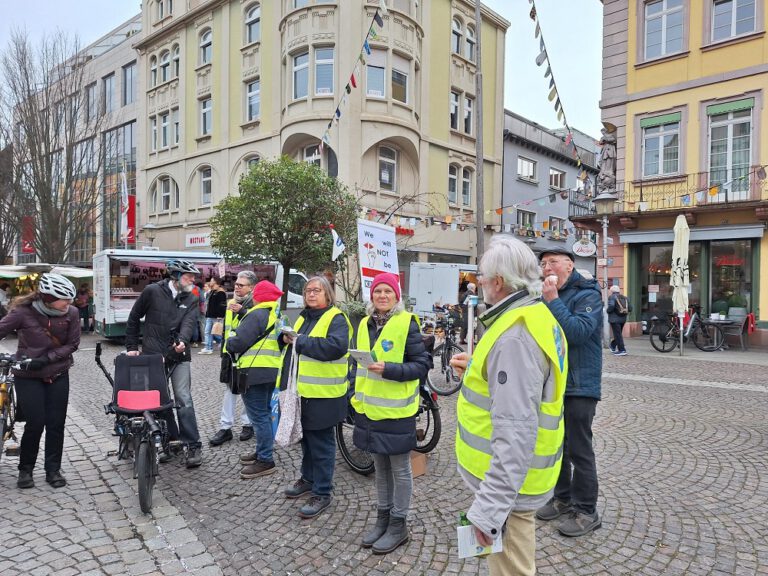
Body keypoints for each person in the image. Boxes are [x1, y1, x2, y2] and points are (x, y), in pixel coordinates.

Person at [449, 236, 567, 575]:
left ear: (498, 283)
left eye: (481, 277)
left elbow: (516, 430)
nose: (479, 283)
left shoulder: (514, 337)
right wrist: (478, 366)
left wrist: (489, 511)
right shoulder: (533, 315)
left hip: (509, 490)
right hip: (517, 482)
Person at [351, 272, 431, 554]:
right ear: (371, 296)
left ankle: (399, 524)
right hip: (368, 409)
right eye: (377, 291)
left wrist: (390, 369)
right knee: (380, 468)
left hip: (396, 411)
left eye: (387, 291)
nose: (382, 296)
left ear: (397, 296)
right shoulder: (363, 323)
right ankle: (382, 518)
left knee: (400, 468)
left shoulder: (406, 323)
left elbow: (422, 365)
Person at [536, 246, 603, 537]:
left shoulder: (588, 294)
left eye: (552, 262)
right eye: (543, 264)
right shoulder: (547, 296)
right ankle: (562, 498)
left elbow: (577, 332)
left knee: (579, 448)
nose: (547, 268)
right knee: (556, 444)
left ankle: (587, 510)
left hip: (580, 384)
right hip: (554, 384)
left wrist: (551, 300)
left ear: (570, 265)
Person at [278, 276, 351, 519]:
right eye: (308, 290)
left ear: (328, 294)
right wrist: (285, 338)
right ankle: (308, 479)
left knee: (321, 445)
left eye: (316, 290)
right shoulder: (303, 316)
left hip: (325, 395)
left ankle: (322, 491)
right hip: (302, 392)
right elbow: (295, 346)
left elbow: (335, 347)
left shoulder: (337, 318)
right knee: (306, 441)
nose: (310, 294)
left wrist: (299, 341)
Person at [0, 273, 80, 489]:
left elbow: (72, 344)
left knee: (56, 424)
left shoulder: (72, 313)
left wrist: (46, 359)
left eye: (70, 299)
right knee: (35, 423)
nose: (68, 303)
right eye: (64, 299)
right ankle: (25, 470)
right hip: (28, 376)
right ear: (47, 297)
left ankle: (53, 470)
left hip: (58, 373)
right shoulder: (23, 312)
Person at [125, 259, 204, 468]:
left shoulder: (192, 297)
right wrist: (132, 346)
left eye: (194, 277)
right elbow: (134, 318)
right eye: (189, 276)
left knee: (183, 398)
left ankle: (193, 444)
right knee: (160, 399)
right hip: (153, 354)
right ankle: (171, 440)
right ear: (175, 276)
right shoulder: (152, 291)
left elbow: (189, 323)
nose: (193, 280)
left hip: (179, 355)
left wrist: (183, 341)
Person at [226, 280, 284, 479]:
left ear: (258, 296)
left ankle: (265, 460)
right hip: (270, 371)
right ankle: (261, 452)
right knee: (265, 414)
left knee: (258, 417)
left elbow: (239, 342)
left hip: (253, 372)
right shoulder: (277, 316)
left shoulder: (256, 314)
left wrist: (229, 339)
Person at [209, 271, 256, 446]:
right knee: (230, 390)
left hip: (249, 355)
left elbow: (258, 323)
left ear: (251, 288)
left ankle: (247, 424)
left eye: (241, 285)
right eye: (236, 284)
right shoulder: (230, 303)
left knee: (247, 389)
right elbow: (227, 330)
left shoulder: (256, 305)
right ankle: (225, 427)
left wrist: (243, 311)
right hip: (231, 354)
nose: (236, 287)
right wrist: (224, 351)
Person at [200, 276, 226, 355]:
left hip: (216, 316)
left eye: (211, 280)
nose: (210, 282)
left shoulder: (221, 292)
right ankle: (208, 348)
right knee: (208, 332)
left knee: (216, 333)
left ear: (216, 282)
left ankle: (223, 342)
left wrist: (221, 315)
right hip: (210, 315)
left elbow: (222, 305)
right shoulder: (212, 291)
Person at [607, 285, 631, 356]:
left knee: (618, 334)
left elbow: (611, 306)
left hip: (614, 319)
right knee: (618, 334)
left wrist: (608, 311)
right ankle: (613, 346)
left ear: (611, 291)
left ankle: (622, 350)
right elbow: (630, 308)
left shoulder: (612, 297)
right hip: (623, 318)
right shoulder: (625, 298)